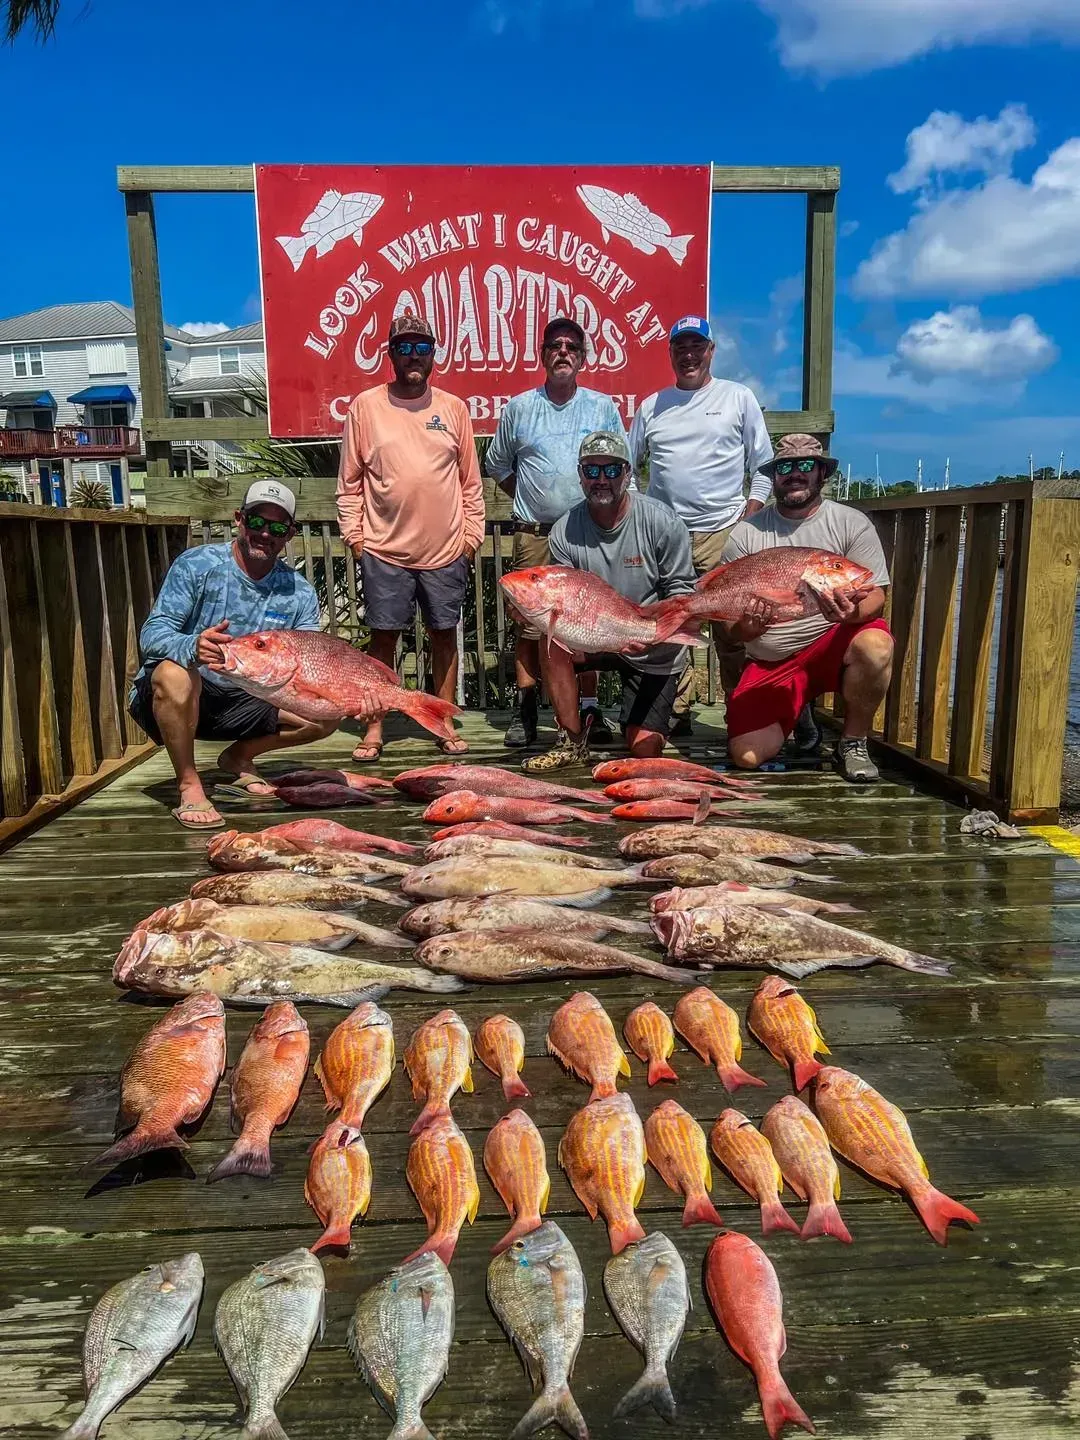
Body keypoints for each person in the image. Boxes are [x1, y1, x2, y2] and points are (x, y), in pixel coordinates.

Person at [128, 480, 334, 829]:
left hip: (249, 697)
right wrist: (191, 646)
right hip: (185, 696)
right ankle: (189, 784)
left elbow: (311, 659)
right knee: (173, 673)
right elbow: (152, 633)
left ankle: (239, 757)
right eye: (256, 522)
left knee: (326, 714)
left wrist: (354, 697)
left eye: (278, 527)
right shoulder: (196, 565)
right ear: (239, 519)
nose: (265, 533)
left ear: (289, 534)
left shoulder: (299, 592)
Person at [337, 309, 485, 760]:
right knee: (383, 642)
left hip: (445, 552)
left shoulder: (454, 409)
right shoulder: (365, 406)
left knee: (445, 636)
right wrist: (356, 539)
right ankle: (375, 728)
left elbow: (470, 484)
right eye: (405, 347)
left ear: (434, 355)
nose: (413, 356)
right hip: (384, 551)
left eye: (422, 347)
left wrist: (470, 539)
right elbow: (349, 483)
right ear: (391, 354)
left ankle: (442, 722)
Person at [486, 316, 629, 749]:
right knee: (529, 627)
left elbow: (622, 467)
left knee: (583, 623)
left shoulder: (602, 407)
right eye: (555, 345)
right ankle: (526, 707)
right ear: (543, 355)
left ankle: (588, 708)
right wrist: (531, 495)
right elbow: (497, 465)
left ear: (583, 358)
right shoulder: (519, 408)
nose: (563, 352)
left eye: (571, 346)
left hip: (588, 534)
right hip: (535, 534)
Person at [629, 315, 775, 736]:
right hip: (666, 535)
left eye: (697, 346)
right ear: (671, 353)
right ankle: (676, 710)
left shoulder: (737, 397)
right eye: (680, 347)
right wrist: (644, 510)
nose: (688, 355)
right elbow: (629, 463)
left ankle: (739, 708)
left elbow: (762, 463)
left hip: (723, 531)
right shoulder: (652, 405)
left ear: (711, 351)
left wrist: (752, 508)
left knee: (732, 629)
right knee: (673, 624)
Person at [719, 434, 894, 783]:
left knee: (875, 644)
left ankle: (853, 742)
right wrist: (746, 630)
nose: (794, 474)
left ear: (821, 474)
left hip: (831, 645)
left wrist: (850, 615)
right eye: (785, 466)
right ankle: (799, 712)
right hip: (772, 661)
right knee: (747, 757)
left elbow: (876, 597)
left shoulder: (851, 522)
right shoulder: (746, 533)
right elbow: (730, 627)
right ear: (774, 476)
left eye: (805, 466)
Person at [521, 431, 696, 774]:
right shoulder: (563, 530)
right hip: (596, 635)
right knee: (552, 638)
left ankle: (676, 692)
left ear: (628, 473)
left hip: (650, 645)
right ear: (581, 475)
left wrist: (653, 633)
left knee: (644, 749)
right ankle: (571, 741)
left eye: (612, 470)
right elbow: (563, 596)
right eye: (592, 470)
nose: (602, 479)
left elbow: (682, 595)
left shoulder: (661, 521)